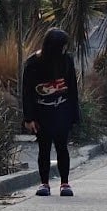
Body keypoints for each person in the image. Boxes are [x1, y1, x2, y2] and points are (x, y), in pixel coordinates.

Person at [22, 27, 80, 198]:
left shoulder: (67, 61)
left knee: (62, 147)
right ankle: (44, 183)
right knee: (44, 148)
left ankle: (64, 183)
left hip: (62, 109)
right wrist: (29, 118)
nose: (64, 49)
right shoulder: (33, 63)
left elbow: (72, 90)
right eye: (61, 46)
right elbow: (27, 92)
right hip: (42, 111)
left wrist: (74, 115)